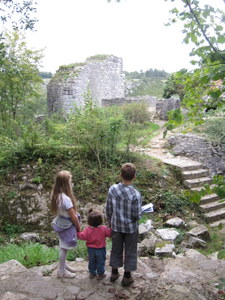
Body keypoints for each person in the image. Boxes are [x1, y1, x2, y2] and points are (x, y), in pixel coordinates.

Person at [106, 163, 142, 286]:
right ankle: (127, 276)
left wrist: (110, 221)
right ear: (134, 177)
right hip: (130, 228)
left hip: (116, 226)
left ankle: (114, 272)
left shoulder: (113, 189)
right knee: (130, 250)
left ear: (120, 175)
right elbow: (136, 214)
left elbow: (108, 208)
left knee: (116, 248)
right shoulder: (135, 194)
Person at [51, 170, 81, 278]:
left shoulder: (56, 195)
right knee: (64, 247)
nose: (71, 183)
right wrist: (78, 227)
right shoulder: (66, 199)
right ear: (66, 183)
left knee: (62, 245)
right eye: (70, 181)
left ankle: (63, 265)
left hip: (60, 223)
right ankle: (61, 271)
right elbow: (73, 217)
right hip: (67, 226)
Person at [77, 208, 111, 280]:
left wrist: (77, 232)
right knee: (101, 261)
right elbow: (110, 233)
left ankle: (92, 273)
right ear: (100, 220)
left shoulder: (87, 229)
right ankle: (100, 274)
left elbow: (82, 236)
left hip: (91, 249)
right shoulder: (103, 228)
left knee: (92, 261)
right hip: (101, 249)